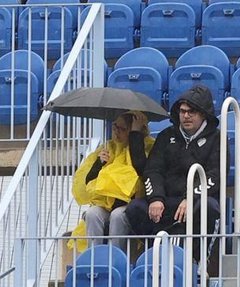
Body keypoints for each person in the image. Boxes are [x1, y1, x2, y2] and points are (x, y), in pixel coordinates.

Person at [117, 86, 220, 242]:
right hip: (166, 200)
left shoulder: (217, 138)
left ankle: (195, 254)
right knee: (135, 208)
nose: (186, 116)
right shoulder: (166, 135)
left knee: (209, 207)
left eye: (192, 112)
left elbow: (215, 175)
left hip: (195, 201)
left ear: (203, 114)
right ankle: (154, 250)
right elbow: (153, 170)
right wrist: (156, 198)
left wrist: (190, 198)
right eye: (182, 111)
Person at [73, 112, 153, 245]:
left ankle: (115, 255)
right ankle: (94, 255)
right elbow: (89, 182)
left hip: (130, 204)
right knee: (92, 213)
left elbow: (141, 169)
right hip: (106, 205)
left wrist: (135, 136)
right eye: (115, 127)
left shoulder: (147, 146)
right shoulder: (108, 147)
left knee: (117, 215)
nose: (116, 132)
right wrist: (99, 164)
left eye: (122, 129)